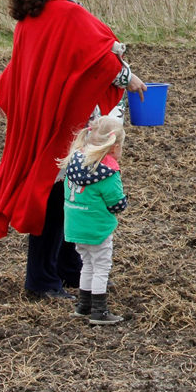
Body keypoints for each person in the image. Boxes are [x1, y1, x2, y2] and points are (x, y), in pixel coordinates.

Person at [0, 0, 146, 302]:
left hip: (44, 117)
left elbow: (21, 72)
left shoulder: (31, 17)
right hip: (61, 123)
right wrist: (129, 78)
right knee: (54, 194)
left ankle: (69, 270)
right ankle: (40, 280)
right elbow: (101, 59)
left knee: (65, 190)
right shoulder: (67, 14)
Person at [61, 115, 128, 325]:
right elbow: (116, 203)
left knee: (87, 264)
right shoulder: (108, 172)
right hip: (97, 228)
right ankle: (99, 310)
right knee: (101, 267)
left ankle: (83, 306)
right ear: (115, 146)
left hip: (75, 226)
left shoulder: (74, 160)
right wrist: (122, 204)